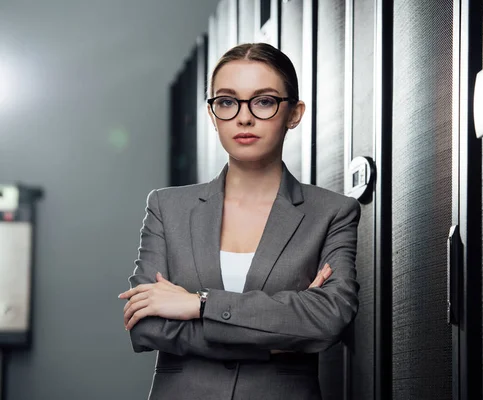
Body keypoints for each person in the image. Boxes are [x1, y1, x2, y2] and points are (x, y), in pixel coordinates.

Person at [118, 42, 361, 400]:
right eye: (228, 102)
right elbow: (146, 325)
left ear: (294, 113)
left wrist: (199, 305)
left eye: (263, 101)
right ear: (212, 114)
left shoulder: (332, 212)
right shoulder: (167, 207)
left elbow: (328, 320)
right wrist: (278, 339)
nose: (243, 118)